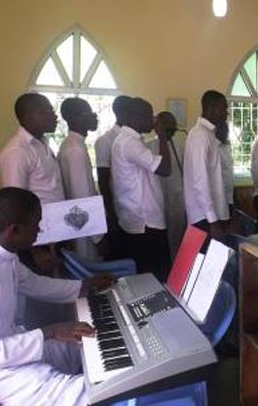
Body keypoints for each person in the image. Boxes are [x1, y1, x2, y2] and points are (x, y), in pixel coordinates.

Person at [0, 187, 114, 406]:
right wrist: (51, 331)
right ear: (15, 230)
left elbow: (36, 284)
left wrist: (85, 285)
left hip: (10, 348)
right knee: (84, 394)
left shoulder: (4, 256)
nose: (40, 230)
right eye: (36, 224)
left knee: (85, 343)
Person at [0, 92, 64, 273]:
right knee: (39, 287)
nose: (54, 116)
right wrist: (35, 250)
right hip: (35, 242)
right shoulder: (17, 151)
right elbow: (14, 205)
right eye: (47, 111)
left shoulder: (42, 143)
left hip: (54, 234)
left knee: (57, 285)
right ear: (29, 116)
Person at [111, 97, 172, 280]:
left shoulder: (125, 140)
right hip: (146, 224)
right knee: (156, 277)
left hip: (136, 220)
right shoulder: (130, 143)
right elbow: (165, 169)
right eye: (149, 115)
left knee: (145, 278)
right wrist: (162, 135)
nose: (153, 120)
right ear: (137, 118)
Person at [57, 97, 102, 261]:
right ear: (74, 118)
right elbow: (82, 198)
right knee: (89, 265)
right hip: (85, 229)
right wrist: (98, 237)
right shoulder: (75, 150)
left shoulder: (74, 144)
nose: (94, 116)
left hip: (82, 225)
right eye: (88, 113)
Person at [183, 90, 230, 239]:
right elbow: (200, 181)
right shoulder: (200, 135)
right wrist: (213, 221)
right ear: (212, 108)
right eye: (224, 109)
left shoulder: (209, 134)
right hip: (204, 217)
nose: (226, 113)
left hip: (211, 214)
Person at [95, 95, 131, 259]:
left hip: (133, 211)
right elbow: (103, 181)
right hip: (117, 210)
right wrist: (111, 216)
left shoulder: (134, 138)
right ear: (122, 113)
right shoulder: (106, 140)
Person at [154, 111, 187, 259]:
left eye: (173, 126)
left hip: (177, 200)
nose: (171, 129)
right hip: (157, 200)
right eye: (166, 125)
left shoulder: (179, 147)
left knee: (177, 238)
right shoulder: (149, 146)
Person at [216, 121, 235, 215]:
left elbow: (229, 170)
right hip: (218, 195)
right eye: (223, 130)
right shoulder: (214, 147)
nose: (225, 133)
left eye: (227, 130)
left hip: (229, 193)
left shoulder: (227, 146)